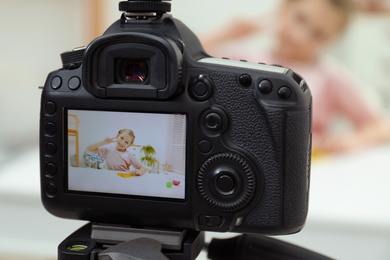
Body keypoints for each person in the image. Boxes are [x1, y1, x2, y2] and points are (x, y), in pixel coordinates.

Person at [202, 0, 390, 154]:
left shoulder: (330, 75)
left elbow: (382, 126)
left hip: (310, 172)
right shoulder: (244, 60)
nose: (301, 37)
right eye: (300, 19)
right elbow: (183, 59)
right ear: (284, 8)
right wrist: (225, 34)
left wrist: (354, 140)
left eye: (318, 34)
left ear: (332, 41)